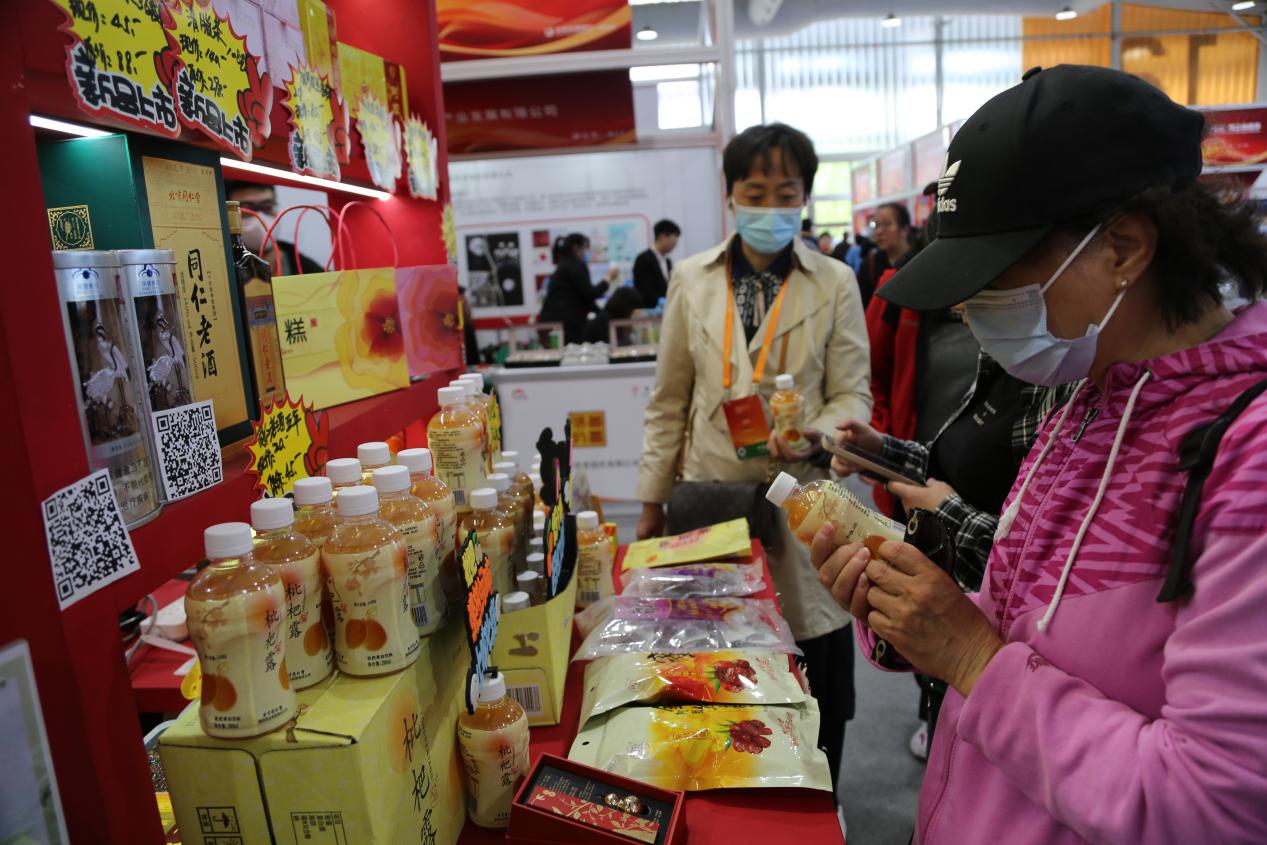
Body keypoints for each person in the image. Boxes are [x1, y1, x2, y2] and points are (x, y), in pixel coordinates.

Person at [810, 64, 1267, 843]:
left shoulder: (1244, 460)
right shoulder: (1080, 400)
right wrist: (911, 610)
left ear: (1122, 248)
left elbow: (1214, 804)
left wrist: (967, 656)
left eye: (996, 274)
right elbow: (1018, 628)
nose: (968, 307)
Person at [637, 122, 871, 790]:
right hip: (712, 501)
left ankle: (820, 797)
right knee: (722, 666)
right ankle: (732, 802)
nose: (770, 206)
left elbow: (853, 391)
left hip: (803, 499)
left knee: (816, 667)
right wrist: (651, 506)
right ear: (731, 195)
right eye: (755, 192)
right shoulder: (692, 278)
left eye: (786, 193)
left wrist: (817, 431)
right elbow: (668, 400)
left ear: (804, 197)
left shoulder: (834, 280)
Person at [224, 181, 325, 276]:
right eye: (247, 209)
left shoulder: (309, 269)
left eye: (267, 207)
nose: (259, 217)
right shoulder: (222, 270)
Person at [538, 234, 613, 345]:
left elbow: (582, 297)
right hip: (567, 324)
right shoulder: (576, 265)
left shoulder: (564, 265)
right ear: (576, 248)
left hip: (556, 322)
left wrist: (602, 314)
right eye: (585, 248)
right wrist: (607, 279)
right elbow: (589, 294)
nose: (586, 253)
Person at [857, 202, 915, 308]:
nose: (879, 231)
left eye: (887, 224)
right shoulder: (870, 264)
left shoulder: (919, 261)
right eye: (877, 225)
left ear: (905, 230)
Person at [633, 219, 680, 308]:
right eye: (674, 239)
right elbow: (644, 289)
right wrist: (661, 302)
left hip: (666, 308)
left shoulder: (668, 261)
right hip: (649, 309)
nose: (675, 244)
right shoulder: (643, 259)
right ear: (662, 237)